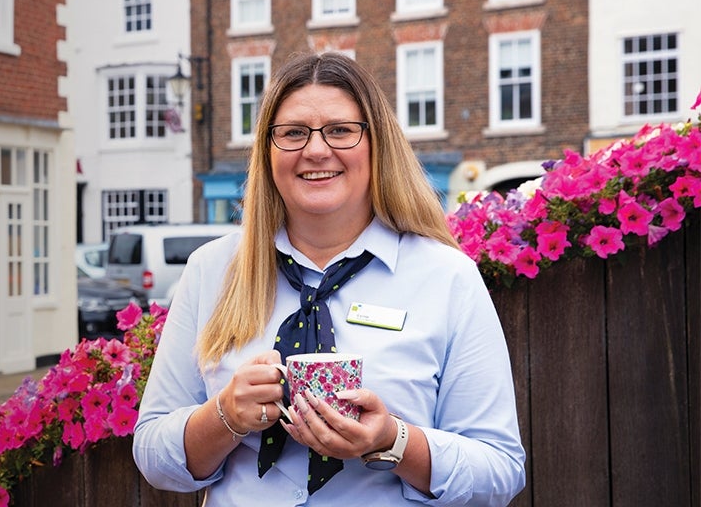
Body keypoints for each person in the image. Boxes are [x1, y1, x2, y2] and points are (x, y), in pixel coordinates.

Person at [133, 51, 525, 506]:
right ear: (267, 150)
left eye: (340, 130)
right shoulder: (210, 271)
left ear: (376, 144)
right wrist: (224, 416)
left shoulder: (447, 277)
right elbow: (152, 456)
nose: (316, 150)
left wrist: (394, 442)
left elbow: (500, 472)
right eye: (293, 133)